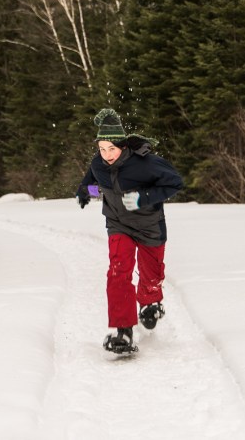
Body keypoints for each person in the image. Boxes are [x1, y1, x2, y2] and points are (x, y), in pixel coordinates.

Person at [76, 108, 183, 354]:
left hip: (149, 226)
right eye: (102, 149)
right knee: (118, 271)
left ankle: (150, 302)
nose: (106, 155)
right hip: (118, 224)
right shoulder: (98, 163)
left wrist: (143, 198)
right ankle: (123, 331)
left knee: (151, 276)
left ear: (123, 146)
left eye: (111, 149)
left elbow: (175, 182)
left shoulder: (146, 164)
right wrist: (86, 194)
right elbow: (93, 184)